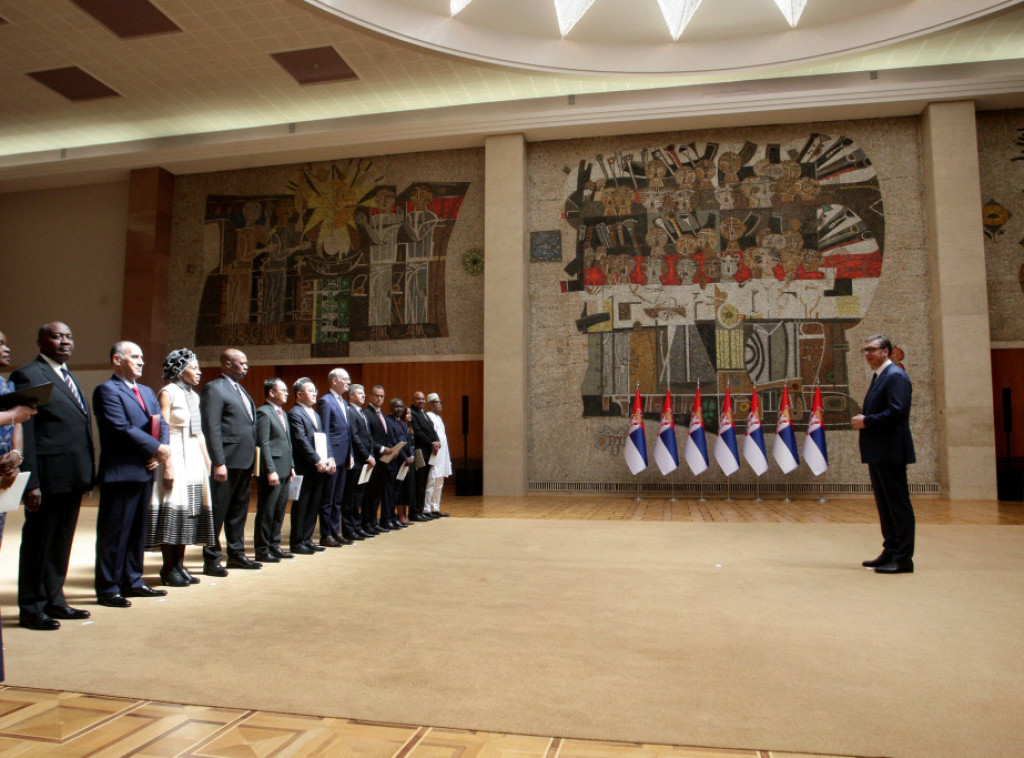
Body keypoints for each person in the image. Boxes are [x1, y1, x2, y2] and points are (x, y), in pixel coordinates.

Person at [12, 322, 95, 630]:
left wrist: (87, 473)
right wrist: (31, 482)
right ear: (40, 342)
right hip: (46, 476)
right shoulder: (28, 374)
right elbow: (28, 430)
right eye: (56, 336)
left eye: (68, 337)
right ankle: (31, 607)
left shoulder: (69, 376)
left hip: (71, 475)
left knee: (61, 541)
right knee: (38, 542)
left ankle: (54, 599)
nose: (64, 342)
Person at [93, 341, 171, 607]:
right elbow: (120, 427)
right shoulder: (107, 390)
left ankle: (133, 580)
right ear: (117, 360)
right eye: (135, 357)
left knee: (138, 531)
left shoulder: (147, 391)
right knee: (115, 531)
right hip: (121, 471)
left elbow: (161, 422)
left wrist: (158, 451)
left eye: (142, 357)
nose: (141, 362)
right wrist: (156, 448)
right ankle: (109, 587)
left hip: (145, 468)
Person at [148, 349, 215, 587]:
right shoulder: (168, 392)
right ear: (179, 371)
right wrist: (167, 464)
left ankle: (179, 565)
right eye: (194, 367)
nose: (199, 372)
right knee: (173, 510)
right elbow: (161, 429)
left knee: (189, 511)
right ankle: (168, 568)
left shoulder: (194, 396)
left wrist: (207, 459)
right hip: (175, 452)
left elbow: (198, 431)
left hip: (193, 455)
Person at [851, 334, 916, 575]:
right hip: (880, 451)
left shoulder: (895, 375)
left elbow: (898, 411)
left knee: (897, 505)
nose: (868, 354)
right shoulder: (880, 375)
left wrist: (867, 421)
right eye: (865, 350)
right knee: (886, 505)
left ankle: (903, 558)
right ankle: (890, 550)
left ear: (886, 351)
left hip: (891, 450)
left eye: (872, 349)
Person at [200, 348, 259, 575]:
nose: (246, 366)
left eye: (246, 363)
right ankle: (211, 559)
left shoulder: (240, 389)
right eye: (241, 363)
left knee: (238, 510)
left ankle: (236, 554)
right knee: (217, 510)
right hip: (226, 460)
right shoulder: (214, 388)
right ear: (227, 364)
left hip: (244, 460)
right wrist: (218, 461)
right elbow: (212, 427)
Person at [288, 377, 334, 554]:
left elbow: (322, 437)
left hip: (319, 466)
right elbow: (301, 440)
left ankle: (307, 539)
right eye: (310, 391)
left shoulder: (315, 414)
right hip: (305, 466)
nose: (315, 394)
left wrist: (328, 457)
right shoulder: (295, 413)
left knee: (314, 504)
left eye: (315, 391)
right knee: (302, 504)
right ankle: (297, 541)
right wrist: (316, 460)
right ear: (299, 394)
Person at [254, 378, 295, 563]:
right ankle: (262, 548)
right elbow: (263, 444)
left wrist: (291, 466)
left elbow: (287, 443)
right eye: (283, 390)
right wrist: (270, 470)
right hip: (272, 470)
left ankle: (274, 544)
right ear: (271, 392)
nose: (286, 393)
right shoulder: (264, 412)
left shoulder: (282, 413)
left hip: (285, 468)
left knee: (279, 510)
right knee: (267, 510)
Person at [317, 368, 353, 547]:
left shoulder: (344, 402)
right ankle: (326, 534)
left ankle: (334, 531)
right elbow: (323, 432)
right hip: (332, 458)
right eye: (345, 379)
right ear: (334, 381)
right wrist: (328, 456)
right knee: (328, 499)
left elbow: (347, 432)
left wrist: (350, 453)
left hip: (344, 456)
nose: (348, 382)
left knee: (338, 499)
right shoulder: (325, 401)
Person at [345, 383, 378, 537]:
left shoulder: (362, 412)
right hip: (357, 461)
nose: (364, 395)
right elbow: (355, 437)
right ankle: (349, 529)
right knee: (351, 497)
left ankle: (357, 526)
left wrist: (371, 454)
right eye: (360, 393)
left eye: (364, 393)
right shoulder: (350, 411)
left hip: (365, 461)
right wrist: (367, 456)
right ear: (351, 395)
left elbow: (369, 437)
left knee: (359, 497)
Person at [362, 385, 394, 532]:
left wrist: (391, 449)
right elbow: (367, 438)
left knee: (377, 493)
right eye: (376, 395)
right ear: (370, 396)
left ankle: (374, 522)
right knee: (369, 493)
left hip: (383, 460)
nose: (379, 398)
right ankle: (367, 523)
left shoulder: (382, 414)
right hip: (372, 458)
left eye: (382, 396)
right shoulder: (366, 413)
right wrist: (381, 448)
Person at [386, 399, 416, 527]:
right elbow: (394, 442)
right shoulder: (388, 421)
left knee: (399, 491)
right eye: (396, 406)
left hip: (405, 462)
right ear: (391, 407)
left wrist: (412, 455)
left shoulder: (402, 423)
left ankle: (395, 517)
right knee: (393, 492)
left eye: (401, 407)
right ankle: (390, 517)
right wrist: (405, 457)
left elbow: (408, 442)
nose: (399, 409)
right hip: (395, 461)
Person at [408, 390, 438, 522]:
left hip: (428, 453)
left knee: (424, 482)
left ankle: (420, 511)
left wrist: (437, 441)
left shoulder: (424, 414)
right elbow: (418, 432)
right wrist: (431, 443)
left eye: (422, 399)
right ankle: (414, 512)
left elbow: (432, 430)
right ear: (413, 400)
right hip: (419, 452)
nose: (421, 401)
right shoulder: (412, 412)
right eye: (418, 399)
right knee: (418, 483)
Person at [424, 393, 452, 518]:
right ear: (429, 404)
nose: (440, 404)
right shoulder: (428, 417)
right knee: (431, 481)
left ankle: (436, 507)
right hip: (434, 454)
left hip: (442, 454)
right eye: (436, 402)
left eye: (440, 402)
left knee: (439, 481)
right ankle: (426, 508)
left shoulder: (439, 418)